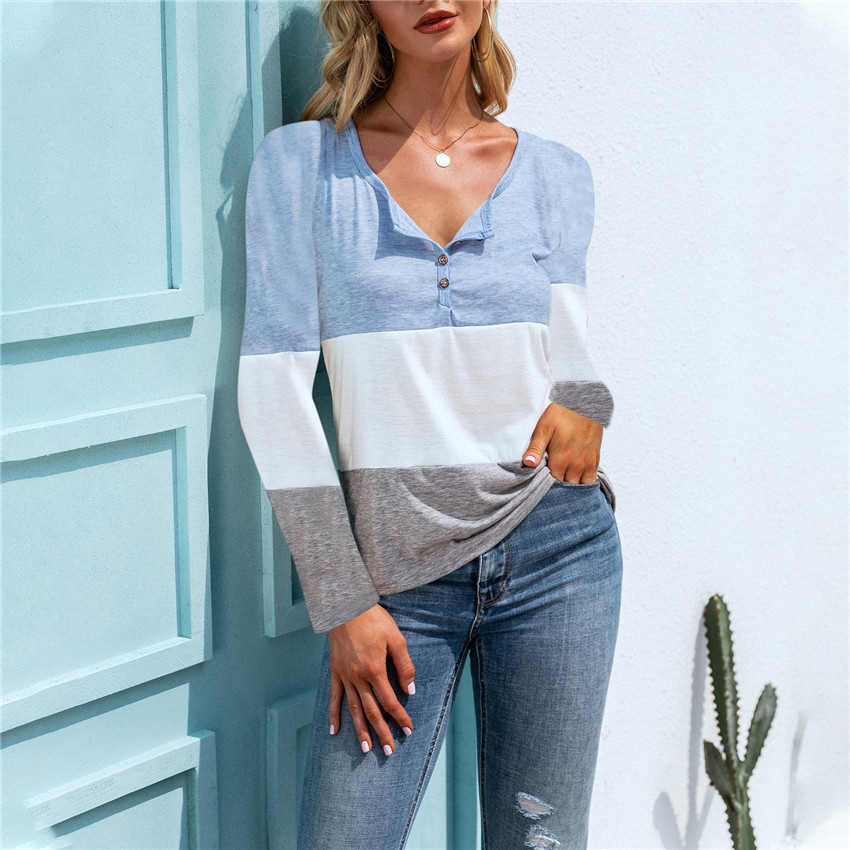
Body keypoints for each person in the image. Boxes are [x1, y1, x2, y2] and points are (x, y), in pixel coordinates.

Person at [237, 1, 622, 846]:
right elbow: (271, 390)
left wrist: (590, 407)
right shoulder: (302, 166)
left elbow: (572, 359)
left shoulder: (557, 173)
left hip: (559, 549)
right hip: (394, 582)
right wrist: (343, 601)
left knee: (541, 840)